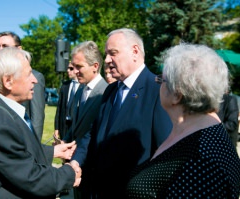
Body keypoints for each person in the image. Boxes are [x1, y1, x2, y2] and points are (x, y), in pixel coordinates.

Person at [126, 43, 240, 198]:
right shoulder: (192, 132)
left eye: (162, 80)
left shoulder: (202, 161)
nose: (158, 84)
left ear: (177, 95)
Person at [0, 47, 82, 198]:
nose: (35, 79)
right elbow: (30, 178)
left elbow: (13, 152)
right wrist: (69, 173)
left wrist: (53, 151)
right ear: (8, 81)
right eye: (28, 74)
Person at [82, 28, 172, 199]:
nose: (107, 60)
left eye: (113, 53)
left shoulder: (158, 90)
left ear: (135, 52)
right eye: (106, 54)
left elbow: (164, 154)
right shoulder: (110, 91)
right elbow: (95, 135)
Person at [60, 41, 108, 199]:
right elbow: (75, 124)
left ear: (95, 66)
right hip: (75, 164)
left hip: (92, 167)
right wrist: (64, 142)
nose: (74, 71)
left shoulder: (106, 92)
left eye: (79, 66)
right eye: (73, 66)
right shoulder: (80, 89)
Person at [0, 31, 45, 141]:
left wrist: (35, 148)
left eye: (5, 46)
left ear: (19, 49)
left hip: (20, 141)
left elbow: (37, 118)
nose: (0, 50)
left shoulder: (34, 77)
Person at [55, 62, 80, 140]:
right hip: (64, 124)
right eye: (68, 68)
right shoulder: (65, 85)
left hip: (75, 125)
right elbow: (59, 108)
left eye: (71, 68)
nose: (68, 70)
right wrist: (56, 128)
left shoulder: (84, 86)